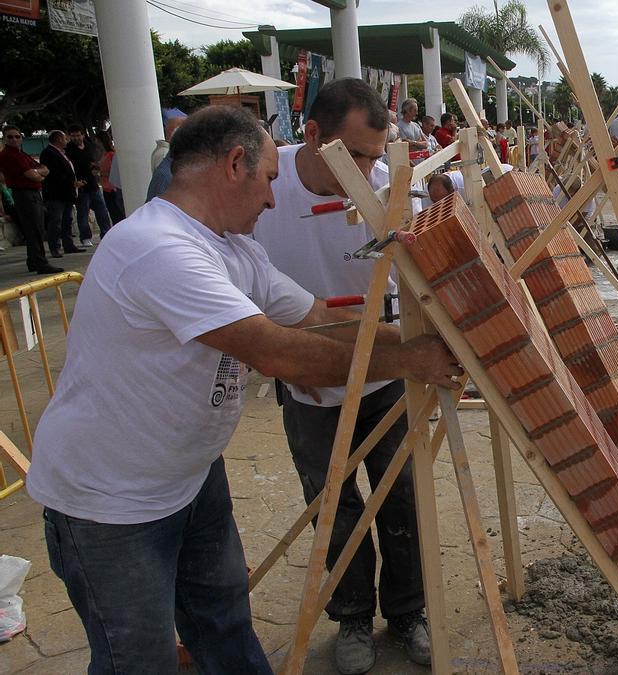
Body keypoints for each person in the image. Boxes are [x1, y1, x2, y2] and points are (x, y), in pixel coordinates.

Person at [25, 104, 462, 674]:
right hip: (113, 503)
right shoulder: (161, 248)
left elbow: (315, 318)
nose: (274, 200)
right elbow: (279, 352)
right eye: (268, 181)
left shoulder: (234, 248)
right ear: (235, 164)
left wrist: (418, 335)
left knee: (224, 626)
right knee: (139, 660)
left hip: (190, 478)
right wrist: (408, 358)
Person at [250, 78, 433, 673]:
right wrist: (281, 356)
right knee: (332, 502)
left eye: (376, 157)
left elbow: (425, 277)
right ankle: (352, 616)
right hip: (304, 377)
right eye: (353, 156)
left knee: (400, 495)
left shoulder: (388, 191)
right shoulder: (264, 186)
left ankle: (408, 613)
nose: (368, 171)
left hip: (385, 370)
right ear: (312, 136)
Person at [1, 126, 59, 274]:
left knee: (37, 227)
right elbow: (32, 174)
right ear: (4, 139)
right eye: (10, 137)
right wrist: (39, 174)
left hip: (32, 192)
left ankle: (33, 260)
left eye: (17, 136)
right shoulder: (9, 155)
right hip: (24, 194)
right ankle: (40, 262)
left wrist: (38, 173)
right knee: (34, 229)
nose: (14, 139)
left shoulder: (22, 154)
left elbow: (42, 169)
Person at [39, 130, 84, 257]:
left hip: (66, 194)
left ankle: (68, 244)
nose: (66, 141)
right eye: (65, 138)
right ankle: (55, 246)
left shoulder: (62, 153)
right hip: (56, 194)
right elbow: (53, 174)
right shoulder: (49, 153)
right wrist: (71, 183)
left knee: (67, 220)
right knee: (56, 220)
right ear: (58, 139)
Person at [67, 124, 112, 245]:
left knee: (102, 211)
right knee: (83, 212)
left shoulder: (89, 146)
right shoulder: (69, 150)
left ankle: (106, 233)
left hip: (93, 184)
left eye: (78, 135)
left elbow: (95, 160)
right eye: (73, 136)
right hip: (81, 186)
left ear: (82, 135)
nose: (76, 138)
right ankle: (85, 237)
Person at [97, 131, 125, 225]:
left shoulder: (111, 155)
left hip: (112, 188)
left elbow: (113, 171)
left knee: (117, 214)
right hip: (106, 187)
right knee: (113, 214)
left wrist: (102, 173)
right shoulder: (106, 154)